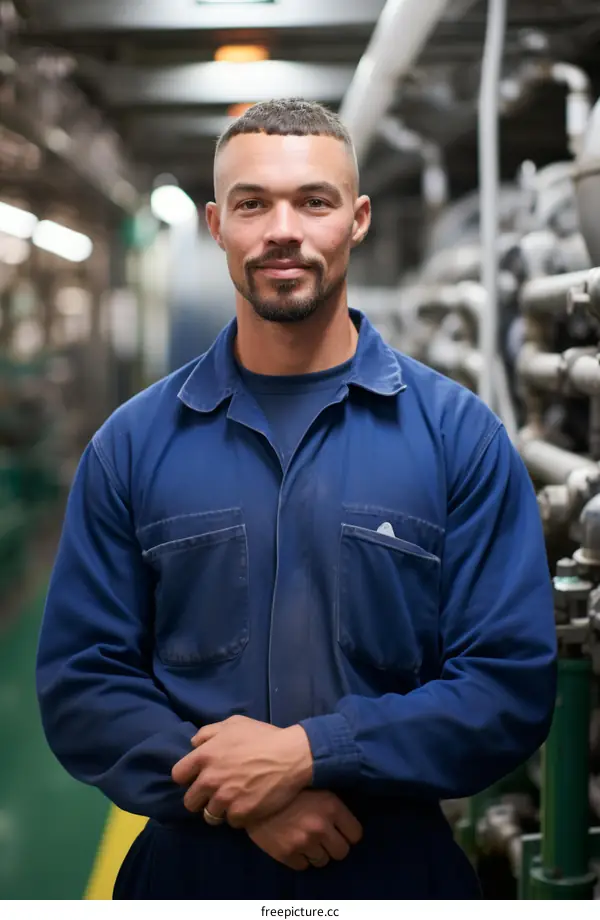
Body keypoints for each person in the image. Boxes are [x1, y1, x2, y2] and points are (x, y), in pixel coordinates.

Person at [36, 98, 557, 900]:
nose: (283, 229)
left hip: (396, 866)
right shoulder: (132, 445)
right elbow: (82, 682)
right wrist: (239, 800)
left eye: (314, 201)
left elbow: (507, 684)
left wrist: (311, 754)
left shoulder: (460, 437)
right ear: (217, 223)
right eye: (253, 203)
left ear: (357, 218)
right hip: (189, 865)